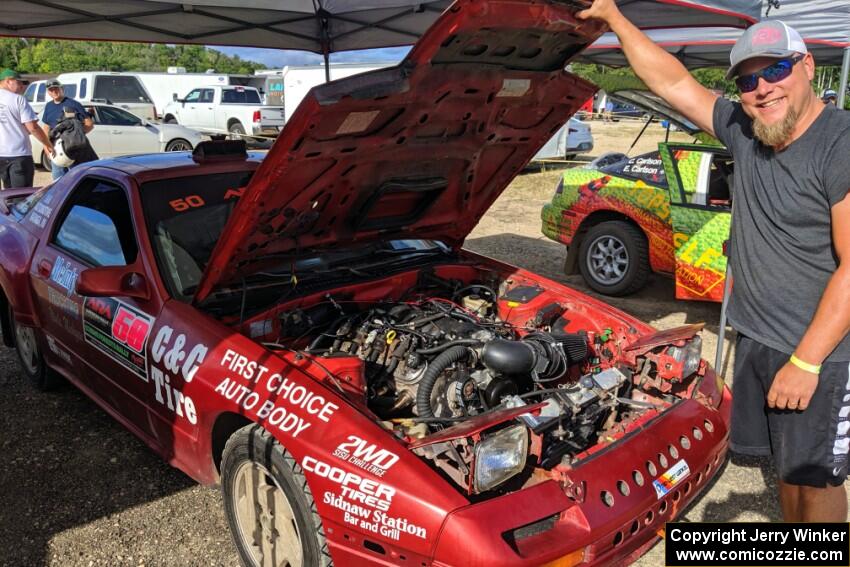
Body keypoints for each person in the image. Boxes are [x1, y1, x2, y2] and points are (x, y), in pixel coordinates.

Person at [578, 1, 850, 522]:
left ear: (808, 65)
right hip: (758, 339)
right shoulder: (747, 133)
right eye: (748, 81)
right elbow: (673, 81)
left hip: (821, 353)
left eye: (775, 69)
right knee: (787, 473)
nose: (763, 89)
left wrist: (806, 362)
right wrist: (614, 17)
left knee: (816, 478)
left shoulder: (840, 143)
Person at [0, 69, 53, 189]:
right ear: (8, 81)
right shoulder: (18, 99)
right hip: (18, 155)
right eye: (19, 83)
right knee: (21, 197)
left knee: (7, 196)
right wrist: (48, 144)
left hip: (1, 155)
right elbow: (33, 127)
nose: (22, 87)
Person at [41, 79, 94, 180]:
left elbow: (89, 124)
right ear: (48, 92)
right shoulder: (48, 106)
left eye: (56, 89)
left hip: (73, 149)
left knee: (77, 180)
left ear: (62, 89)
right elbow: (46, 127)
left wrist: (77, 136)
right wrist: (45, 145)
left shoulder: (74, 104)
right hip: (56, 149)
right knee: (58, 181)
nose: (54, 92)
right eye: (51, 90)